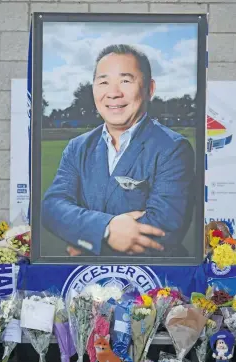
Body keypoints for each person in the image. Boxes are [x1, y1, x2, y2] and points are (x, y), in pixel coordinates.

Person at [41, 44, 195, 257]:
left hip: (154, 282)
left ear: (149, 89)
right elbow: (52, 208)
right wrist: (104, 230)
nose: (113, 93)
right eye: (104, 82)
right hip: (86, 281)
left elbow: (163, 229)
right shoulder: (77, 147)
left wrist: (87, 242)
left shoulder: (173, 148)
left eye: (125, 80)